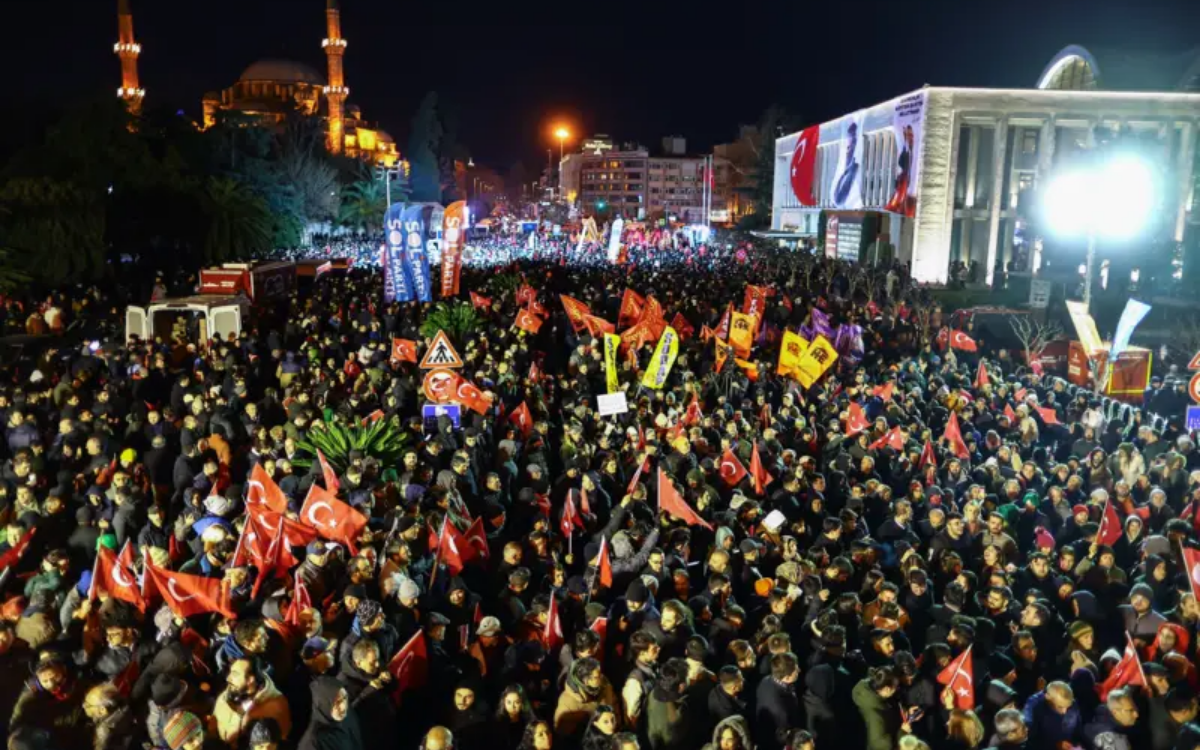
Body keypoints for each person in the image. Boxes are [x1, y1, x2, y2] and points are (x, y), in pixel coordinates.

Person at [297, 677, 361, 750]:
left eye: (345, 698)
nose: (344, 706)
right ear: (323, 704)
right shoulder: (312, 743)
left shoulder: (345, 718)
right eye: (337, 702)